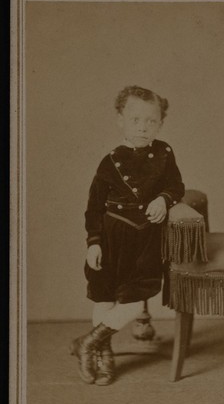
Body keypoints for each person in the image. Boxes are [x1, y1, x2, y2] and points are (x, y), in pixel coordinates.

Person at [70, 85, 185, 385]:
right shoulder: (109, 162)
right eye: (135, 120)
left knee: (134, 302)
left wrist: (163, 199)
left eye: (151, 121)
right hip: (111, 238)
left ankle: (87, 343)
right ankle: (103, 357)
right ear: (120, 119)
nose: (143, 127)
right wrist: (93, 243)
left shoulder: (164, 152)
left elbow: (176, 186)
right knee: (105, 297)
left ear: (160, 123)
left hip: (145, 241)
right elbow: (93, 209)